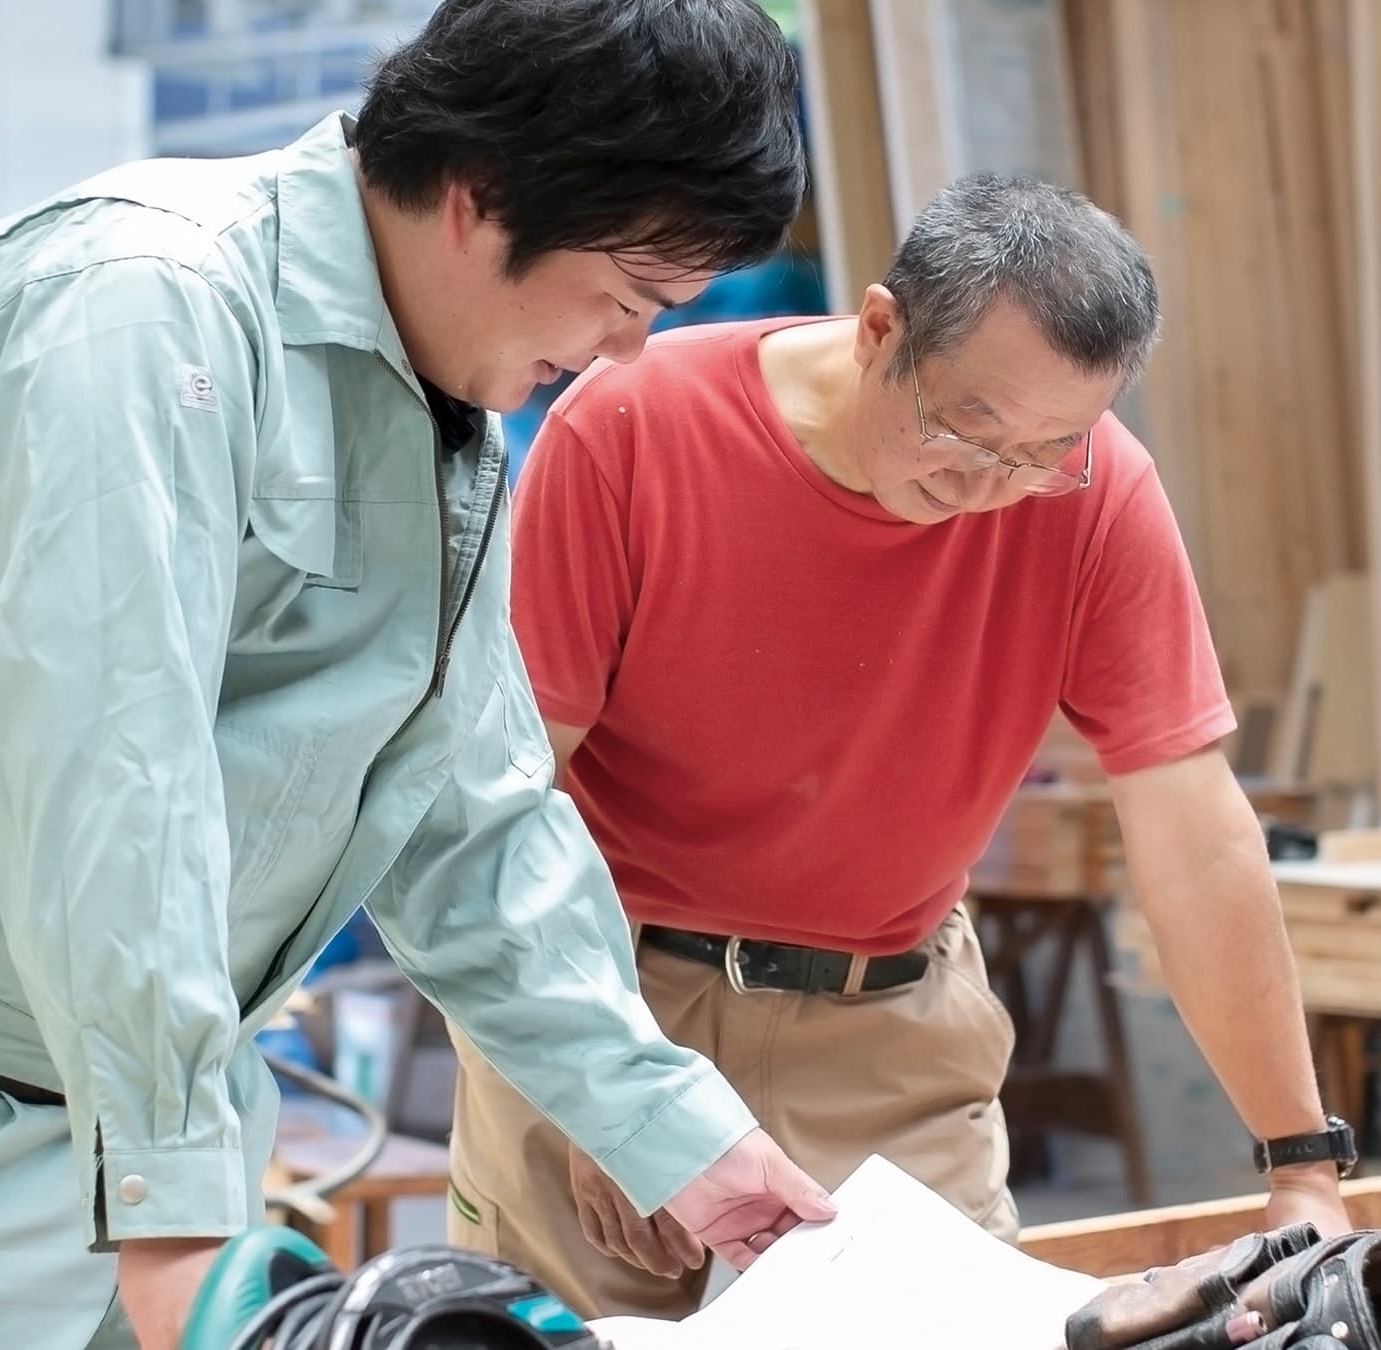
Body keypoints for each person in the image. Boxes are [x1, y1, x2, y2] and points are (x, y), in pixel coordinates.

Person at [0, 4, 829, 1347]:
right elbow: (107, 770)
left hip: (165, 1126)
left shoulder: (446, 416)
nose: (629, 347)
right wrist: (174, 1209)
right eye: (628, 295)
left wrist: (671, 1127)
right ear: (483, 195)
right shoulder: (140, 304)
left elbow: (471, 812)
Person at [450, 174, 1355, 1320]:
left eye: (1047, 449)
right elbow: (515, 787)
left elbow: (1193, 832)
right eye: (965, 431)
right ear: (879, 327)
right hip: (623, 987)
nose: (991, 489)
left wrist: (1301, 1167)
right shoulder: (636, 421)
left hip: (892, 1024)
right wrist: (597, 1077)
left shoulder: (1092, 489)